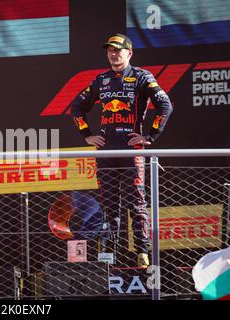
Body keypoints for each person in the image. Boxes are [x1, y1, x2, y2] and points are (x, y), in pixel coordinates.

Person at [70, 33, 173, 267]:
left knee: (136, 201)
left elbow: (165, 105)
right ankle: (110, 254)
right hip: (106, 151)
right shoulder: (101, 80)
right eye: (110, 50)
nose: (113, 54)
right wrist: (87, 135)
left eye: (118, 50)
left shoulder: (141, 77)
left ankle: (142, 251)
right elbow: (77, 108)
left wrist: (150, 136)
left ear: (129, 53)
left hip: (131, 149)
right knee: (108, 204)